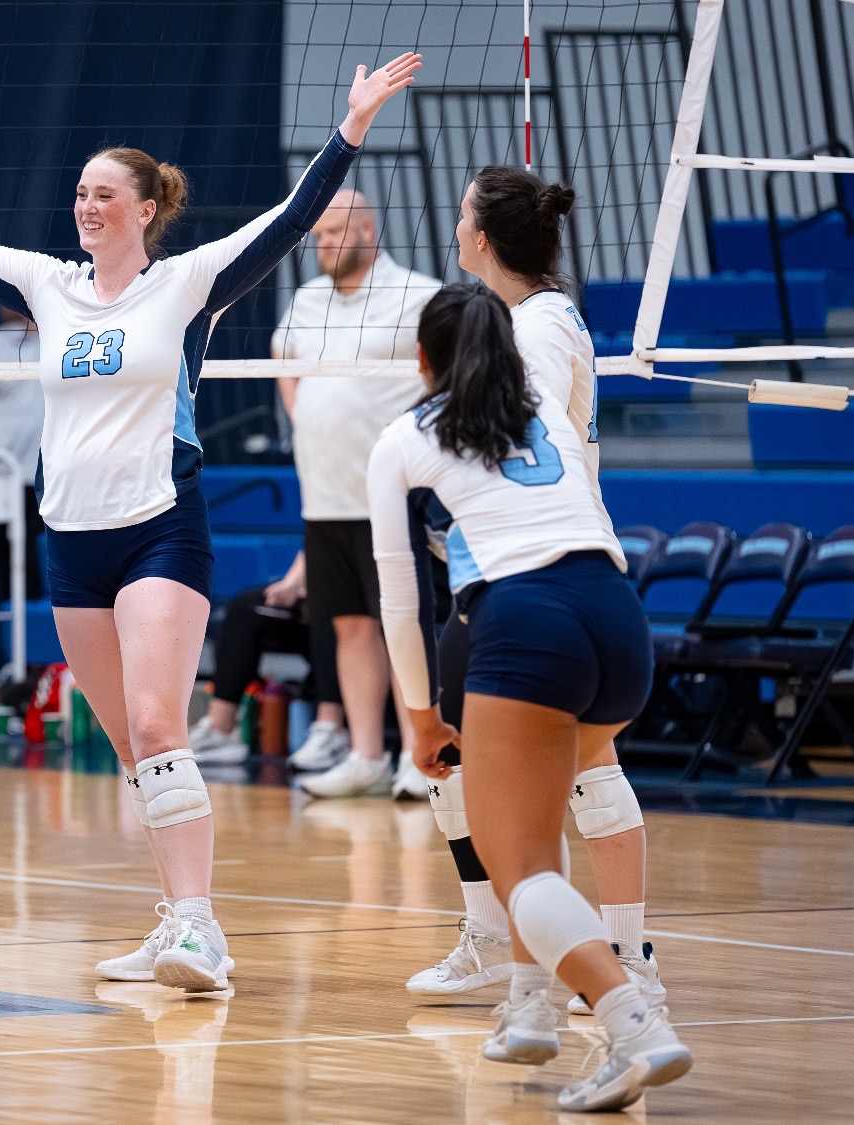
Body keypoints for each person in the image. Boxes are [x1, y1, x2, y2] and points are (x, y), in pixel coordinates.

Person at [0, 51, 422, 992]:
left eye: (104, 193)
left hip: (163, 523)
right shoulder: (50, 286)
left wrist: (350, 126)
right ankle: (173, 919)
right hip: (70, 541)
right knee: (130, 746)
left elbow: (288, 224)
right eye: (80, 192)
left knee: (162, 724)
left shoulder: (189, 282)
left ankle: (203, 930)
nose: (86, 205)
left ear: (146, 206)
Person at [375, 283, 691, 1112]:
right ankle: (532, 1006)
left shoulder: (405, 437)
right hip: (619, 621)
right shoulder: (545, 394)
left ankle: (631, 1018)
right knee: (540, 831)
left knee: (518, 866)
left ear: (422, 360)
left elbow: (400, 602)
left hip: (526, 625)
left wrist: (419, 715)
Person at [406, 168, 661, 1016]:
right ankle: (494, 935)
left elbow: (525, 434)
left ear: (482, 237)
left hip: (540, 564)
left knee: (582, 769)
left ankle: (624, 954)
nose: (454, 224)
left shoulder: (540, 326)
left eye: (463, 211)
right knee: (460, 763)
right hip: (494, 563)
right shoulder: (520, 320)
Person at [270, 189, 439, 799]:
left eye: (335, 232)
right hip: (325, 496)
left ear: (368, 227)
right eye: (316, 236)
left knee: (403, 629)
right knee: (349, 629)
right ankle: (367, 755)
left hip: (390, 500)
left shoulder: (417, 295)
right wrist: (307, 415)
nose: (323, 244)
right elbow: (280, 356)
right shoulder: (308, 300)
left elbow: (443, 377)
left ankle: (421, 758)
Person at [185, 552, 342, 765]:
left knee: (328, 611)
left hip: (357, 602)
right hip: (315, 587)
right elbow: (313, 545)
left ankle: (332, 730)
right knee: (245, 607)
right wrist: (292, 583)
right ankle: (219, 731)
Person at [0, 306, 46, 602]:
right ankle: (17, 632)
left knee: (45, 555)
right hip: (2, 468)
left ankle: (45, 629)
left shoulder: (62, 336)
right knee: (5, 555)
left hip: (47, 470)